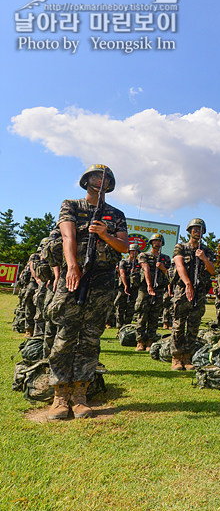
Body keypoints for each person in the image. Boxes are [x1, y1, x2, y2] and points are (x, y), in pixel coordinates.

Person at [48, 164, 128, 420]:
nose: (100, 181)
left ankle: (80, 395)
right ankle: (60, 395)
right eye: (95, 176)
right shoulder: (71, 205)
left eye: (105, 178)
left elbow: (124, 247)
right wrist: (72, 267)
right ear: (86, 181)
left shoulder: (116, 214)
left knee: (91, 339)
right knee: (65, 334)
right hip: (74, 277)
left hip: (102, 282)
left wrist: (105, 235)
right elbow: (68, 236)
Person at [170, 218, 215, 370]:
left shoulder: (207, 251)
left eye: (200, 229)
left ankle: (187, 356)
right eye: (195, 229)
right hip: (183, 290)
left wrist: (204, 258)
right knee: (178, 324)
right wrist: (188, 283)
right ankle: (176, 357)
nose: (197, 231)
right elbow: (179, 264)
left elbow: (212, 270)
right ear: (189, 231)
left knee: (193, 325)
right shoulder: (180, 247)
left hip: (200, 292)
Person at [134, 233, 170, 351]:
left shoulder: (165, 258)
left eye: (159, 241)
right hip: (145, 289)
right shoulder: (144, 255)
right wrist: (149, 285)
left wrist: (163, 268)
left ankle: (150, 341)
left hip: (159, 289)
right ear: (151, 242)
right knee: (142, 314)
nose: (157, 243)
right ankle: (140, 341)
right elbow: (145, 269)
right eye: (155, 241)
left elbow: (170, 274)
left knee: (154, 316)